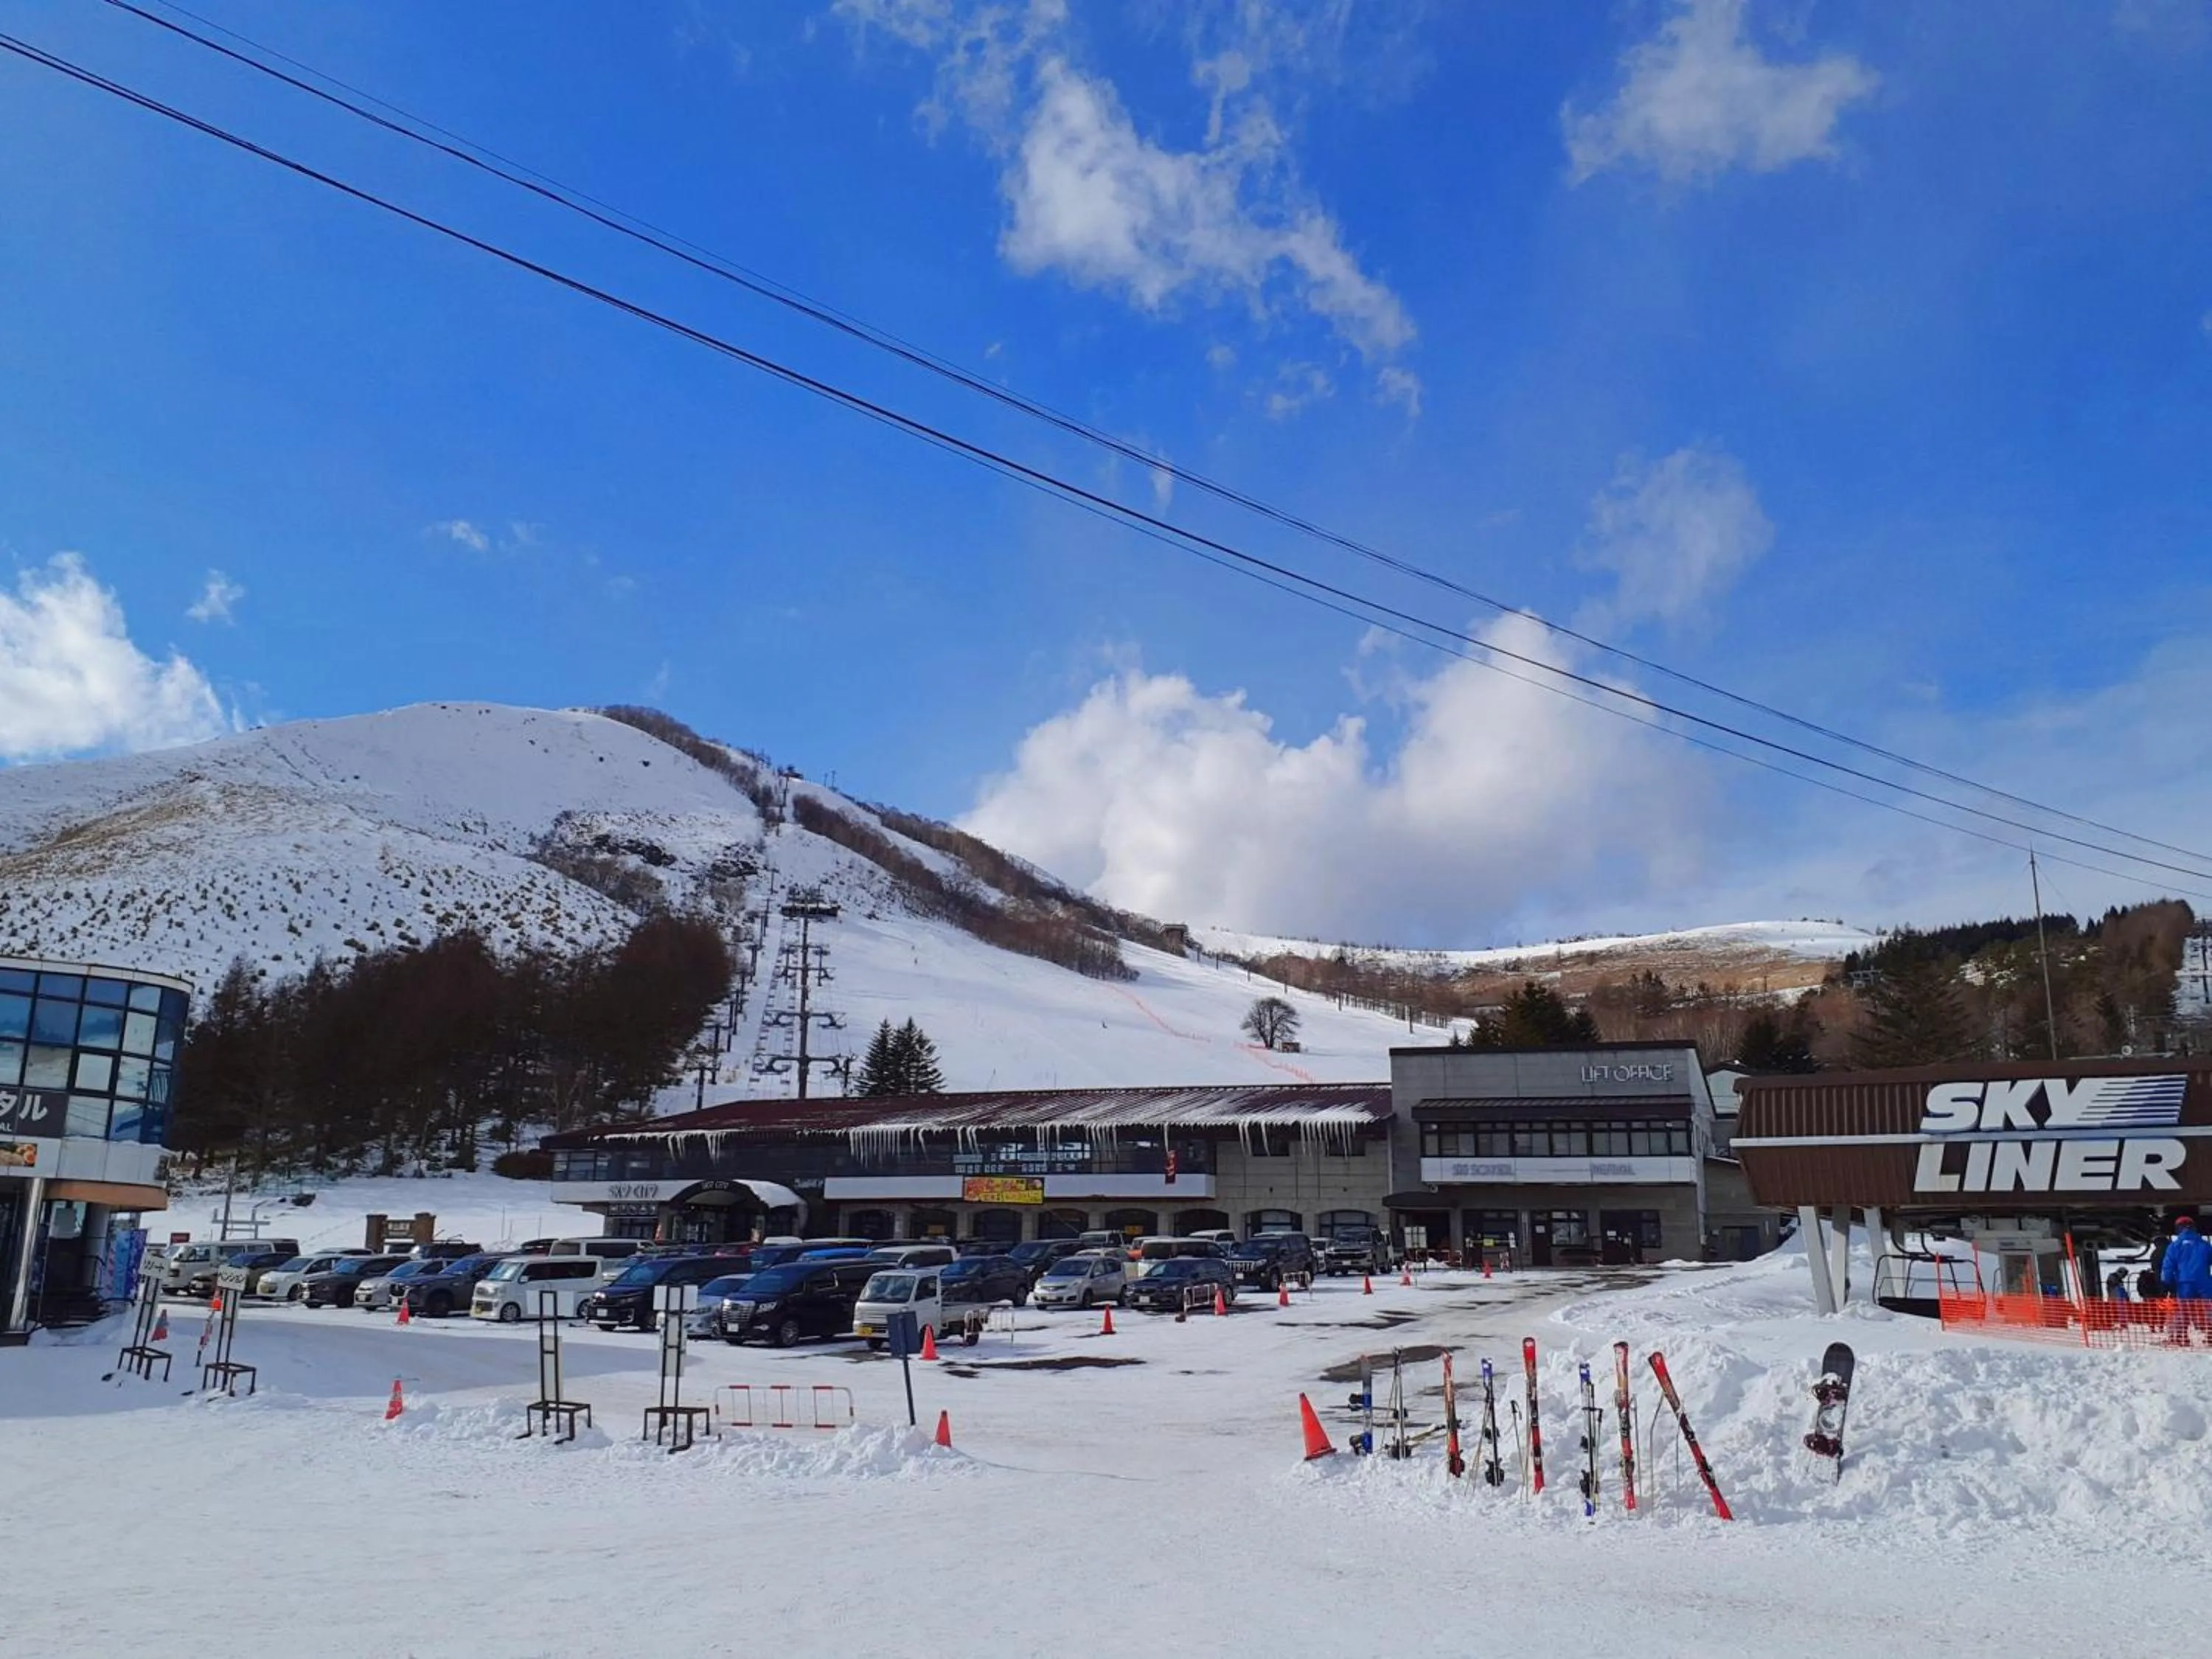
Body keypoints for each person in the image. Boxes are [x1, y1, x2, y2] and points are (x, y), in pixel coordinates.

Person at [2161, 1216, 2212, 1344]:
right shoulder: (2205, 1245)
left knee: (2183, 1310)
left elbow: (2167, 1267)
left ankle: (2181, 1337)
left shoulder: (2174, 1246)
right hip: (2204, 1282)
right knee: (2210, 1309)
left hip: (2184, 1283)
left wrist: (2167, 1283)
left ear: (2178, 1229)